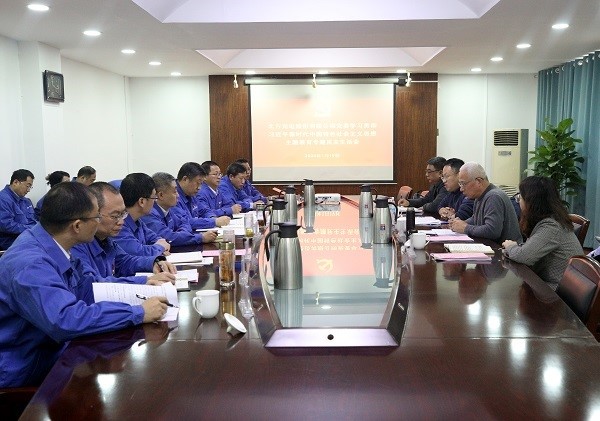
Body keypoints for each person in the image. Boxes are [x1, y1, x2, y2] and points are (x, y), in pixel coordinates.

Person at [0, 182, 168, 388]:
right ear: (77, 226)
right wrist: (137, 313)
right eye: (97, 217)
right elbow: (65, 319)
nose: (99, 223)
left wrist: (143, 284)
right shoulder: (31, 264)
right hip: (24, 370)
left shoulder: (53, 244)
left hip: (49, 351)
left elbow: (88, 287)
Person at [71, 182, 177, 283]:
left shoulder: (105, 240)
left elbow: (124, 262)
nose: (121, 221)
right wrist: (144, 281)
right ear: (94, 214)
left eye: (123, 214)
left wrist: (154, 263)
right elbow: (91, 284)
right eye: (115, 216)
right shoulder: (77, 245)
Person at [502, 176, 583, 290]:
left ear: (532, 202)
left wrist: (510, 247)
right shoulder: (550, 220)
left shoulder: (551, 226)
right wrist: (517, 247)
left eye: (520, 197)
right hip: (548, 284)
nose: (519, 201)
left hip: (557, 292)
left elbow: (525, 256)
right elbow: (531, 249)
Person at [448, 162, 521, 244]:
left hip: (504, 249)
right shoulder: (480, 196)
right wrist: (460, 223)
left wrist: (465, 228)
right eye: (460, 184)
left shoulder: (493, 197)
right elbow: (476, 219)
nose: (461, 189)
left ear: (478, 181)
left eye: (463, 184)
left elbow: (492, 231)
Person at [143, 172, 217, 246]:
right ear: (161, 195)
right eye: (175, 192)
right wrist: (201, 238)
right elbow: (170, 238)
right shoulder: (149, 214)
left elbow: (184, 223)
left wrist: (182, 234)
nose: (178, 195)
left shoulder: (168, 209)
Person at [114, 173, 170, 257]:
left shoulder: (138, 220)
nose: (155, 202)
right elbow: (138, 252)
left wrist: (159, 247)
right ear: (142, 201)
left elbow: (157, 239)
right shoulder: (119, 225)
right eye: (154, 198)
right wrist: (160, 248)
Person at [175, 162, 230, 230]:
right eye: (197, 183)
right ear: (185, 179)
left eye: (201, 184)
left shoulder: (190, 193)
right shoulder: (173, 196)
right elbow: (185, 222)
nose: (199, 188)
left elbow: (204, 210)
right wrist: (214, 222)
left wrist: (212, 217)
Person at [0, 169, 37, 250]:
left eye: (30, 187)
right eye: (27, 186)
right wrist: (32, 229)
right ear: (16, 182)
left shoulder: (26, 201)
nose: (28, 190)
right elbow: (6, 225)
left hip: (27, 237)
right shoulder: (2, 199)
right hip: (11, 241)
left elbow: (33, 220)